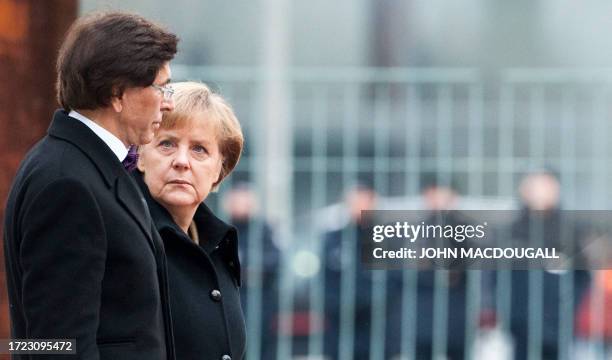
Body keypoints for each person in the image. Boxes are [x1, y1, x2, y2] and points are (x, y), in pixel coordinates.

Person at [3, 12, 178, 360]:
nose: (168, 101)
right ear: (117, 94)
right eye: (160, 87)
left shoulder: (86, 166)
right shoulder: (67, 183)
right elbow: (58, 346)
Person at [134, 82, 246, 360]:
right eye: (167, 144)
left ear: (220, 169)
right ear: (139, 156)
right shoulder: (125, 235)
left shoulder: (220, 248)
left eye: (199, 149)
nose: (182, 161)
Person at [224, 183, 281, 360]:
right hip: (231, 301)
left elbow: (274, 262)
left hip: (259, 302)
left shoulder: (263, 230)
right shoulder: (222, 226)